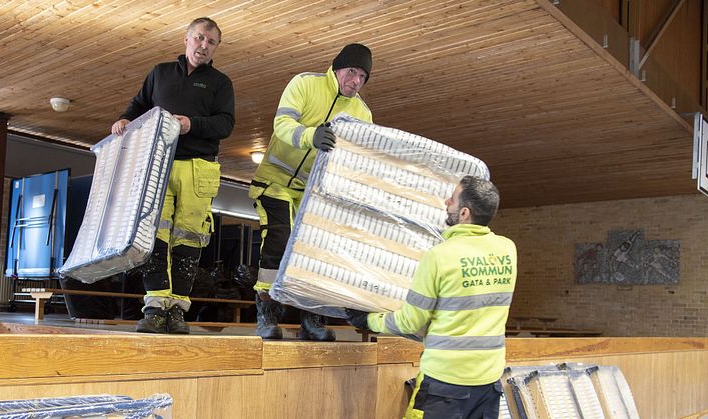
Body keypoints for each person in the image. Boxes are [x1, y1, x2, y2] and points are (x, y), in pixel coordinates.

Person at [347, 176, 517, 419]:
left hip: (445, 383)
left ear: (464, 213)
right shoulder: (508, 250)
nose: (447, 202)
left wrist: (368, 321)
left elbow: (410, 322)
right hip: (489, 382)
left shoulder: (439, 256)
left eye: (453, 198)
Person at [110, 17, 235, 334]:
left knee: (188, 240)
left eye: (211, 42)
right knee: (156, 237)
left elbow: (225, 124)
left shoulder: (220, 83)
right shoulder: (160, 73)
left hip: (199, 168)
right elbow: (140, 103)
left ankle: (177, 309)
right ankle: (154, 307)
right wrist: (125, 119)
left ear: (216, 48)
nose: (203, 46)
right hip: (158, 163)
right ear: (187, 38)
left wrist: (191, 124)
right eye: (199, 38)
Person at [249, 43, 374, 341]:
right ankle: (267, 312)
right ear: (337, 67)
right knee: (279, 238)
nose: (356, 80)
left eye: (363, 77)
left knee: (313, 252)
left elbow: (358, 158)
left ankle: (311, 318)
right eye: (352, 71)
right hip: (275, 181)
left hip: (315, 192)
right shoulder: (305, 84)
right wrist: (311, 136)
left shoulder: (362, 113)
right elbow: (282, 125)